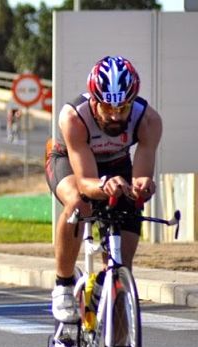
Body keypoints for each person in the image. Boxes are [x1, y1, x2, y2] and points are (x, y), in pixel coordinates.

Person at [46, 56, 160, 327]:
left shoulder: (149, 120)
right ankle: (63, 283)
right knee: (78, 203)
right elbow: (86, 181)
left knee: (121, 268)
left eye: (123, 108)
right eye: (108, 107)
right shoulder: (73, 116)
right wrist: (103, 184)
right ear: (95, 99)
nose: (115, 115)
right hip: (69, 163)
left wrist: (143, 185)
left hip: (117, 164)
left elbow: (142, 173)